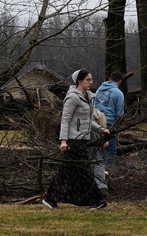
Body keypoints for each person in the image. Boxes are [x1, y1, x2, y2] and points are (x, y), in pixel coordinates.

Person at [42, 69, 110, 210]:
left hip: (82, 138)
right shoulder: (72, 97)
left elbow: (88, 120)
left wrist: (101, 129)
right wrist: (63, 141)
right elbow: (65, 120)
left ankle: (50, 199)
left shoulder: (89, 97)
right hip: (73, 140)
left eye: (91, 79)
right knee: (83, 170)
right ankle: (94, 201)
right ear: (79, 81)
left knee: (66, 171)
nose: (90, 82)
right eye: (87, 80)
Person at [93, 71, 125, 168]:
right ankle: (107, 174)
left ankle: (96, 172)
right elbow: (120, 114)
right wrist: (117, 129)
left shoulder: (99, 90)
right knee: (110, 151)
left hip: (96, 122)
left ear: (109, 79)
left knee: (97, 150)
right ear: (120, 82)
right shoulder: (118, 93)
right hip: (110, 123)